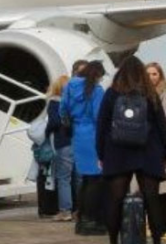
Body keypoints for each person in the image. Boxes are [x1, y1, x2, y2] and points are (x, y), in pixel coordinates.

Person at [96, 56, 166, 244]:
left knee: (115, 199)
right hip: (148, 151)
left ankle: (113, 240)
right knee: (152, 199)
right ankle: (157, 239)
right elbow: (162, 125)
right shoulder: (150, 93)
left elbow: (101, 126)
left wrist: (101, 154)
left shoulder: (111, 93)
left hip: (117, 152)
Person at [62, 60, 107, 232]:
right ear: (97, 75)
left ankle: (81, 220)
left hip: (77, 134)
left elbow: (62, 110)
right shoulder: (96, 91)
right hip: (93, 135)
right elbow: (99, 116)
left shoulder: (69, 86)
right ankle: (91, 220)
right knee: (95, 179)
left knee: (86, 180)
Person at [44, 75, 75, 222]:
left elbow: (54, 122)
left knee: (63, 178)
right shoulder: (75, 102)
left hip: (62, 142)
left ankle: (65, 210)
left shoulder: (54, 102)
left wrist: (46, 131)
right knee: (79, 178)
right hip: (77, 141)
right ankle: (79, 210)